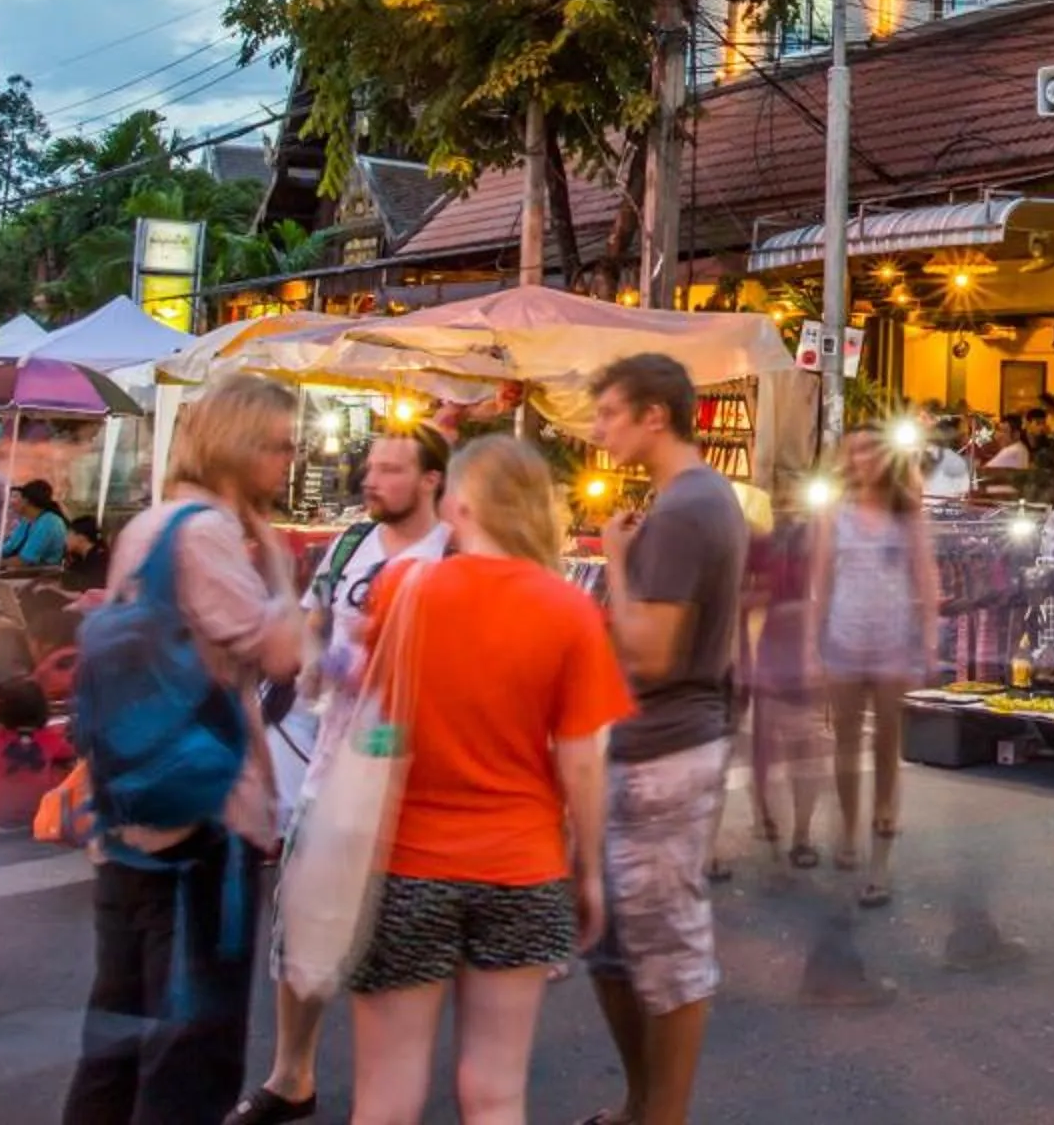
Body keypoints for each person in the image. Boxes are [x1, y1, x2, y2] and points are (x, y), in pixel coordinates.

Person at [347, 436, 634, 1125]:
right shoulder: (568, 611)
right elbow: (582, 758)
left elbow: (375, 725)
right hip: (522, 868)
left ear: (460, 502)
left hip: (409, 862)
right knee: (497, 1091)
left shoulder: (403, 592)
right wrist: (587, 869)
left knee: (387, 1092)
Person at [62, 372, 306, 1125]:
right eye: (277, 447)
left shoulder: (152, 525)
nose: (286, 464)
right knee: (192, 1049)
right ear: (239, 448)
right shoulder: (206, 536)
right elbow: (281, 654)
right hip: (205, 816)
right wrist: (276, 561)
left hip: (133, 805)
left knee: (120, 1028)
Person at [231, 425, 455, 1125]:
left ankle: (391, 1092)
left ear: (431, 481)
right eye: (372, 467)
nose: (372, 478)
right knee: (303, 917)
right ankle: (291, 1074)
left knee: (398, 934)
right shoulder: (352, 546)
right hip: (332, 763)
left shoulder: (455, 555)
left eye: (391, 470)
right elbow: (313, 625)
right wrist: (313, 661)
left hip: (420, 775)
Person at [580, 353, 748, 1125]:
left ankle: (661, 1113)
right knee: (614, 945)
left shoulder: (685, 510)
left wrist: (613, 560)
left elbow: (648, 650)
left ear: (656, 414)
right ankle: (641, 1101)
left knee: (667, 951)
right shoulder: (696, 499)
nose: (597, 428)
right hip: (658, 739)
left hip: (665, 745)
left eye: (610, 412)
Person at [809, 426, 938, 908]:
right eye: (853, 452)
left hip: (891, 645)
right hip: (844, 638)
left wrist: (927, 640)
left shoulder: (907, 515)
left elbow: (925, 576)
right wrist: (812, 642)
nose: (861, 458)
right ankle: (846, 828)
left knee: (887, 744)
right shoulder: (835, 515)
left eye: (868, 450)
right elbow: (820, 581)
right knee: (845, 742)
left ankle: (880, 858)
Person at [742, 471, 827, 868]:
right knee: (767, 744)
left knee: (805, 745)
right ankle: (769, 818)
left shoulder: (819, 538)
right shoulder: (759, 540)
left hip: (803, 652)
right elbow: (742, 593)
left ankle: (802, 832)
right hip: (771, 650)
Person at [0, 676, 76, 837]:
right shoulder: (51, 738)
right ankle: (65, 820)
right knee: (69, 768)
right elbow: (71, 758)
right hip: (42, 809)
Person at [5, 479, 71, 570]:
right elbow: (10, 546)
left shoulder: (49, 523)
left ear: (25, 501)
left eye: (16, 497)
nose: (11, 502)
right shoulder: (27, 520)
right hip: (24, 570)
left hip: (42, 574)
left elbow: (25, 560)